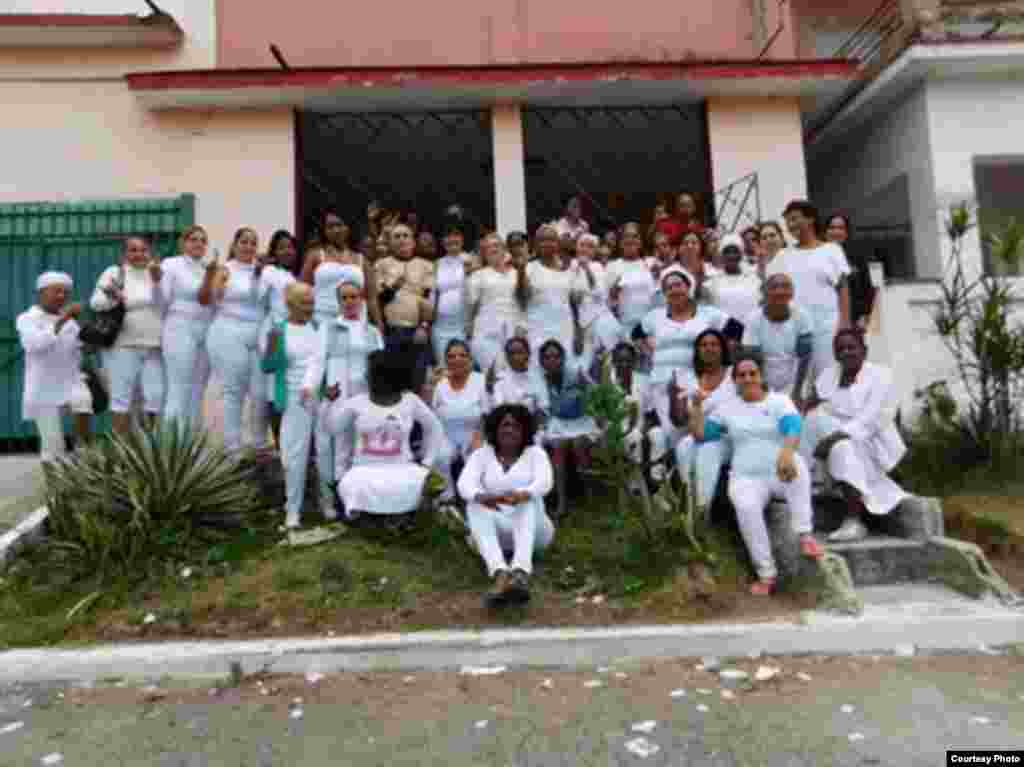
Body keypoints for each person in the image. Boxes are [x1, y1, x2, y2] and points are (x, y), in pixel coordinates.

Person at [690, 353, 824, 595]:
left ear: (761, 376)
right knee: (746, 507)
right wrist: (697, 405)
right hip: (746, 477)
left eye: (752, 373)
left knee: (798, 465)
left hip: (780, 470)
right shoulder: (727, 409)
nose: (748, 378)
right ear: (735, 380)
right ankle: (766, 575)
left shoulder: (778, 401)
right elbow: (701, 435)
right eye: (741, 375)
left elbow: (793, 426)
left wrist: (786, 452)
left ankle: (805, 535)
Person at [802, 329, 907, 542]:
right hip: (837, 434)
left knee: (842, 449)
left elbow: (871, 418)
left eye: (852, 347)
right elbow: (812, 402)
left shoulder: (881, 375)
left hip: (871, 439)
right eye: (840, 349)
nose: (846, 352)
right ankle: (813, 485)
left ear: (864, 350)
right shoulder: (831, 374)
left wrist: (833, 438)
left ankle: (854, 521)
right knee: (810, 420)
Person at [322, 350, 448, 521]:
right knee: (350, 485)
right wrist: (328, 402)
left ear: (383, 375)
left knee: (427, 482)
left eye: (369, 371)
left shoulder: (410, 400)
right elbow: (332, 428)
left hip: (403, 469)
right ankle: (373, 521)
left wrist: (427, 463)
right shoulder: (356, 402)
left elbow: (435, 428)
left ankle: (403, 519)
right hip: (364, 471)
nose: (365, 375)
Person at [458, 404, 555, 607]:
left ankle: (520, 573)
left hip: (535, 531)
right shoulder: (481, 455)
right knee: (474, 504)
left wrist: (522, 495)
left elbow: (545, 482)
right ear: (495, 429)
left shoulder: (535, 453)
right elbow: (464, 484)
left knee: (528, 502)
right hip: (497, 529)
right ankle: (500, 573)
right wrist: (483, 497)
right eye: (504, 425)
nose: (509, 430)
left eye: (516, 426)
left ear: (525, 430)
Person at [635, 268, 731, 445]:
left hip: (693, 377)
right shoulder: (654, 316)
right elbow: (635, 334)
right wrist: (647, 346)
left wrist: (722, 357)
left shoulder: (707, 313)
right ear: (664, 293)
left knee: (691, 426)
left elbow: (737, 330)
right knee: (672, 431)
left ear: (688, 287)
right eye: (669, 287)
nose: (674, 290)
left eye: (678, 285)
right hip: (661, 381)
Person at [315, 277, 385, 517]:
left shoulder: (372, 331)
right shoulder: (328, 328)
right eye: (344, 297)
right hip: (340, 394)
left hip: (365, 395)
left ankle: (363, 500)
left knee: (363, 446)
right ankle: (340, 501)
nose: (349, 301)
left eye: (353, 296)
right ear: (338, 302)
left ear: (361, 300)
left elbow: (381, 366)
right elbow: (318, 362)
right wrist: (317, 388)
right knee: (341, 448)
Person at [261, 283, 323, 529]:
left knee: (323, 451)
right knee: (291, 457)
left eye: (311, 302)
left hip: (319, 396)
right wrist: (272, 346)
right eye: (304, 303)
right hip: (293, 399)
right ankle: (293, 509)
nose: (309, 307)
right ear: (290, 305)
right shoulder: (278, 330)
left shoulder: (318, 327)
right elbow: (267, 367)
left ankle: (325, 504)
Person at [201, 227, 269, 451]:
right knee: (233, 390)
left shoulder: (263, 271)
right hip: (229, 331)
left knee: (260, 392)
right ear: (235, 245)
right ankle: (233, 447)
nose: (248, 247)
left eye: (253, 243)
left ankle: (259, 443)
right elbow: (214, 297)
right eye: (244, 242)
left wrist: (262, 273)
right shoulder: (226, 269)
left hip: (257, 333)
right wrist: (217, 283)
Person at [767, 201, 852, 379]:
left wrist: (844, 324)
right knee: (798, 381)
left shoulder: (832, 250)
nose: (791, 225)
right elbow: (767, 287)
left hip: (827, 329)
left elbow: (843, 288)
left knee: (828, 379)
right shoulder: (783, 255)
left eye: (794, 219)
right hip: (795, 330)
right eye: (788, 222)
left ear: (810, 219)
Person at [90, 236, 165, 433]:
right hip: (122, 345)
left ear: (150, 252)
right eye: (133, 250)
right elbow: (95, 303)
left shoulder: (157, 273)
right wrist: (116, 298)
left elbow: (165, 304)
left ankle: (148, 446)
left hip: (154, 345)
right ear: (124, 254)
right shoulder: (115, 273)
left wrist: (158, 281)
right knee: (121, 398)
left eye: (143, 250)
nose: (139, 254)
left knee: (155, 396)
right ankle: (121, 449)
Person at [18, 272, 92, 461]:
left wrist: (86, 326)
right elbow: (35, 345)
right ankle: (53, 478)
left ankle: (81, 449)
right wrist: (63, 320)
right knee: (52, 447)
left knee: (83, 401)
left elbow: (84, 347)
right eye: (56, 291)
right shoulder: (27, 318)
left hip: (71, 380)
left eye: (65, 292)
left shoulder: (71, 322)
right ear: (41, 293)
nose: (62, 296)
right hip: (43, 387)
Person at [670, 329, 738, 514]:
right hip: (697, 433)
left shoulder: (734, 375)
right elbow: (679, 420)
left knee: (708, 450)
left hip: (726, 436)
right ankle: (689, 502)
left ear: (722, 349)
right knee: (684, 446)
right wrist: (674, 398)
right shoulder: (688, 378)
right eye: (704, 345)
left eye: (714, 344)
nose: (709, 348)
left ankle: (702, 511)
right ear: (697, 350)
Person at [162, 225, 215, 429]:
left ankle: (192, 442)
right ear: (183, 243)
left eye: (203, 240)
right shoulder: (171, 265)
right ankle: (171, 444)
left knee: (197, 391)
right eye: (193, 239)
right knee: (178, 389)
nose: (198, 244)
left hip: (205, 328)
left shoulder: (208, 268)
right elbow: (162, 300)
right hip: (179, 327)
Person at [536, 339, 596, 518]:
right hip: (558, 424)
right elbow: (542, 408)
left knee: (579, 444)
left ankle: (590, 495)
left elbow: (595, 392)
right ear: (542, 361)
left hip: (582, 422)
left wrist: (586, 390)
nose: (552, 360)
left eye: (556, 356)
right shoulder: (540, 380)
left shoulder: (576, 374)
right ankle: (561, 501)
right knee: (558, 446)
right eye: (547, 357)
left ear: (563, 358)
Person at [376, 223, 436, 391]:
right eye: (397, 236)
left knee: (418, 382)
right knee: (393, 384)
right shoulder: (381, 265)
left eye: (405, 235)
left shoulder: (426, 266)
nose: (402, 240)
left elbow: (429, 299)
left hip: (417, 332)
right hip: (391, 332)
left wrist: (424, 326)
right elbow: (378, 300)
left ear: (413, 242)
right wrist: (394, 286)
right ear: (390, 243)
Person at [302, 209, 382, 329]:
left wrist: (379, 327)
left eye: (339, 225)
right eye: (330, 226)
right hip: (321, 322)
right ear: (324, 231)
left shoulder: (362, 260)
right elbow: (302, 291)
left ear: (348, 228)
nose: (335, 230)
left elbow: (372, 299)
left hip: (355, 324)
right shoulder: (315, 256)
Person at [432, 339, 488, 508]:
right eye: (452, 356)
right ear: (445, 360)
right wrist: (430, 384)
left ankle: (476, 500)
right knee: (439, 455)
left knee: (475, 455)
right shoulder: (439, 384)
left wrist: (479, 436)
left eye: (462, 355)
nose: (457, 359)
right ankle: (446, 499)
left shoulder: (480, 381)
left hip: (475, 432)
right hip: (445, 433)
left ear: (470, 359)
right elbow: (430, 415)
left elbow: (488, 414)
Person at [742, 273, 814, 399]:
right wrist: (763, 391)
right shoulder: (753, 319)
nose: (780, 291)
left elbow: (804, 358)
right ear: (765, 292)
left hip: (795, 381)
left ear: (792, 293)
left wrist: (796, 392)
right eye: (774, 287)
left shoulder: (802, 316)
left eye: (785, 286)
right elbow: (753, 359)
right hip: (763, 381)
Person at [518, 224, 583, 361]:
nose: (547, 243)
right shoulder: (529, 268)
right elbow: (522, 297)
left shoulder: (569, 269)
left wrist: (578, 332)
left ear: (558, 243)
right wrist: (521, 270)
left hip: (564, 329)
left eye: (551, 239)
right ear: (536, 244)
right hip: (537, 329)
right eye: (542, 240)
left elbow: (574, 304)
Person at [260, 230, 300, 447]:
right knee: (275, 391)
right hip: (276, 333)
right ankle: (279, 443)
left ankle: (288, 441)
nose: (287, 251)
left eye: (290, 247)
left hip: (292, 333)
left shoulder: (292, 276)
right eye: (282, 247)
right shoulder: (269, 272)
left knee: (288, 389)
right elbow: (259, 298)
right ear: (274, 252)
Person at [466, 234, 525, 375]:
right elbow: (471, 306)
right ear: (484, 253)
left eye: (496, 245)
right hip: (486, 331)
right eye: (488, 247)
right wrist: (469, 327)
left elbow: (524, 301)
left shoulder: (517, 274)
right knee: (494, 373)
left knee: (513, 373)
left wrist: (522, 324)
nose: (493, 249)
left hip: (514, 329)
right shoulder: (477, 276)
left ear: (504, 249)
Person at [705, 233, 761, 351]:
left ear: (741, 254)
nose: (731, 255)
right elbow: (711, 315)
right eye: (727, 251)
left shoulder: (755, 280)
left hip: (751, 339)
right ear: (721, 255)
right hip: (723, 341)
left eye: (735, 251)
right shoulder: (711, 283)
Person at [431, 222, 475, 367]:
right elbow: (434, 294)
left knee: (464, 365)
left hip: (464, 323)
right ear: (443, 241)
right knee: (443, 365)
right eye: (448, 236)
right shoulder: (437, 263)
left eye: (456, 235)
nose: (452, 239)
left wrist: (471, 322)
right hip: (441, 324)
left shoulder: (472, 260)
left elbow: (476, 295)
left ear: (462, 239)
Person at [571, 233, 620, 357]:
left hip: (599, 319)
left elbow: (600, 294)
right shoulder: (570, 266)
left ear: (595, 252)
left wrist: (587, 269)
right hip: (578, 324)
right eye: (582, 245)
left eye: (590, 246)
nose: (585, 249)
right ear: (576, 247)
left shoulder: (597, 267)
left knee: (606, 358)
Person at [825, 213, 876, 330]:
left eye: (840, 228)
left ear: (846, 232)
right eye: (832, 228)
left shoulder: (857, 256)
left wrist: (865, 315)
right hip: (826, 319)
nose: (836, 232)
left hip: (853, 319)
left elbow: (868, 288)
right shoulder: (818, 255)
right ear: (826, 232)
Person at [606, 222, 657, 334]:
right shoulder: (612, 266)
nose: (630, 240)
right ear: (620, 242)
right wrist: (613, 292)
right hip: (622, 327)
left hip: (650, 327)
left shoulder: (651, 263)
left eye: (635, 236)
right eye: (626, 236)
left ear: (641, 242)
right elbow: (607, 302)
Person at [490, 335, 541, 414]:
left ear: (528, 354)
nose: (515, 357)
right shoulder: (499, 379)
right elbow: (499, 407)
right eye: (511, 353)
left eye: (520, 352)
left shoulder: (537, 378)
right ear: (506, 356)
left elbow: (541, 407)